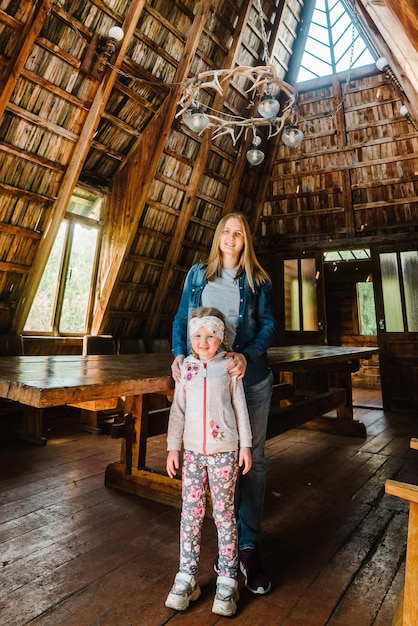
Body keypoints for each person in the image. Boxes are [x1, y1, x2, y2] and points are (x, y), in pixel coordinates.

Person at [171, 212, 277, 595]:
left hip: (250, 381)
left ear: (246, 240)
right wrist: (179, 354)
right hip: (208, 384)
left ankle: (247, 549)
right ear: (218, 237)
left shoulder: (258, 280)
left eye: (238, 233)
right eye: (226, 232)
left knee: (253, 461)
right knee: (218, 459)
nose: (231, 238)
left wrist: (246, 354)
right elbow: (183, 318)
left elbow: (268, 324)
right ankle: (224, 553)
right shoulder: (197, 275)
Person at [165, 307, 252, 617]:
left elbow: (241, 408)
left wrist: (246, 446)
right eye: (198, 335)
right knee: (190, 513)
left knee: (225, 513)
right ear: (191, 338)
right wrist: (173, 447)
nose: (204, 341)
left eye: (211, 335)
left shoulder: (229, 367)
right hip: (191, 453)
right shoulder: (185, 368)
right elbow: (178, 411)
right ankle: (186, 576)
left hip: (225, 451)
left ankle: (228, 579)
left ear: (221, 338)